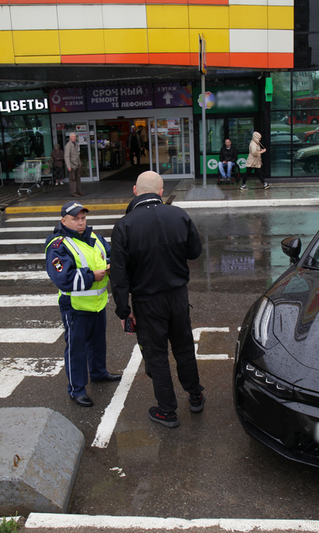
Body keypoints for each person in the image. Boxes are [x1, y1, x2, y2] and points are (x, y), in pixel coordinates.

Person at [109, 171, 204, 429]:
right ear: (161, 192)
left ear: (135, 190)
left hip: (147, 301)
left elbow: (118, 275)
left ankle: (167, 411)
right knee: (184, 347)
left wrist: (123, 310)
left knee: (157, 354)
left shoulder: (124, 225)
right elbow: (195, 251)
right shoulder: (179, 215)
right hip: (177, 296)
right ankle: (195, 395)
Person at [45, 201, 121, 407]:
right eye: (75, 219)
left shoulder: (95, 237)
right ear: (63, 221)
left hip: (97, 304)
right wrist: (92, 276)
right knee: (76, 349)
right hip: (75, 307)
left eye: (83, 218)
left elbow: (111, 254)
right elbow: (63, 278)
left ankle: (98, 373)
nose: (80, 223)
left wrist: (113, 264)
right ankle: (76, 390)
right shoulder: (58, 246)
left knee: (97, 343)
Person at [64, 133, 83, 197]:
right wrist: (68, 166)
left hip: (77, 164)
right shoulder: (68, 145)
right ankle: (73, 192)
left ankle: (79, 191)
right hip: (72, 165)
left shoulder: (76, 145)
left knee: (78, 178)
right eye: (73, 137)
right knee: (72, 179)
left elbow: (77, 155)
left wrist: (79, 162)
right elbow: (67, 156)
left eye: (75, 136)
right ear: (70, 137)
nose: (74, 138)